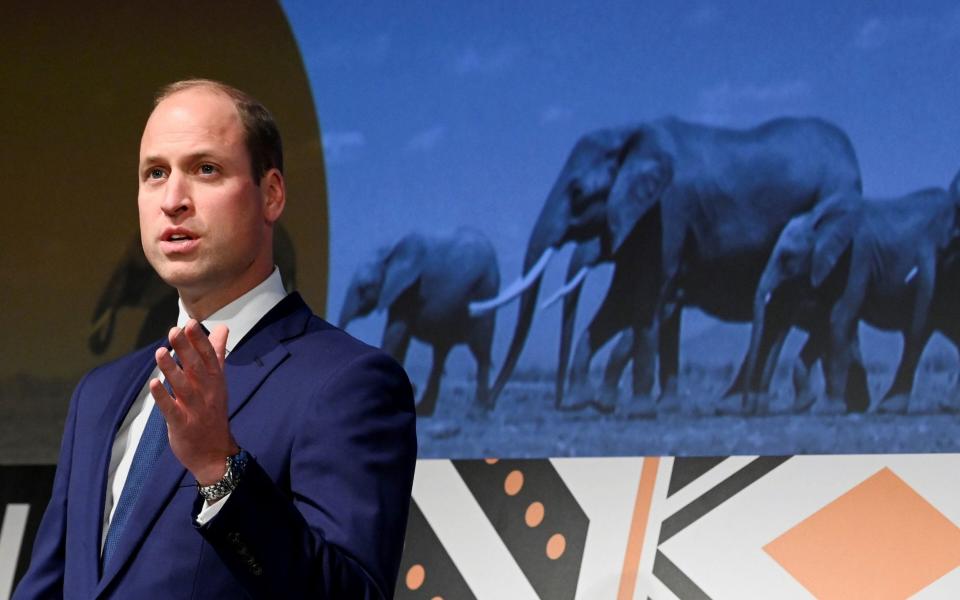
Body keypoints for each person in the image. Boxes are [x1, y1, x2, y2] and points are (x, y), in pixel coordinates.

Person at [14, 79, 417, 598]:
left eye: (206, 170)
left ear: (270, 194)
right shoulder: (99, 395)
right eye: (155, 173)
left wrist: (221, 469)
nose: (174, 200)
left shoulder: (349, 384)